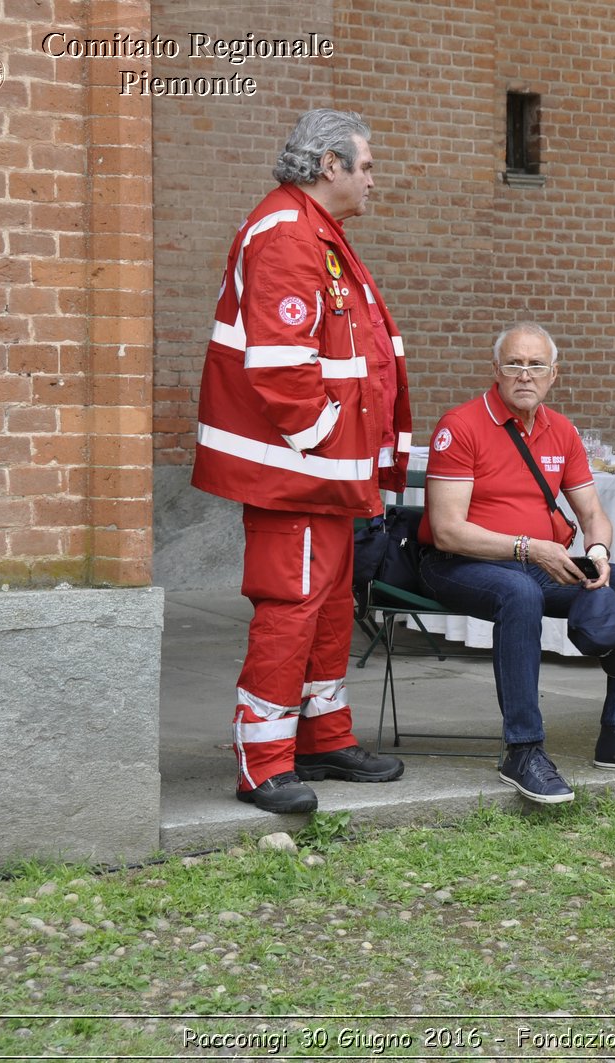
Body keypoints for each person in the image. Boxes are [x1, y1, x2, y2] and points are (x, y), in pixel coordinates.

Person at [192, 108, 413, 814]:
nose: (374, 179)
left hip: (326, 472)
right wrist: (325, 440)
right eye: (367, 166)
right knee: (292, 608)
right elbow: (283, 366)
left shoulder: (316, 232)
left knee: (324, 610)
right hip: (303, 473)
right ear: (329, 167)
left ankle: (322, 736)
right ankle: (263, 762)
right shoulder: (289, 235)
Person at [416, 323, 615, 804]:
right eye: (514, 363)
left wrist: (597, 553)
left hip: (538, 563)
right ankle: (523, 749)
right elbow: (447, 530)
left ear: (553, 374)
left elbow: (593, 514)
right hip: (459, 564)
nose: (524, 374)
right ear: (495, 370)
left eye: (536, 364)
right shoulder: (461, 426)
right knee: (521, 593)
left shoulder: (561, 431)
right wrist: (527, 548)